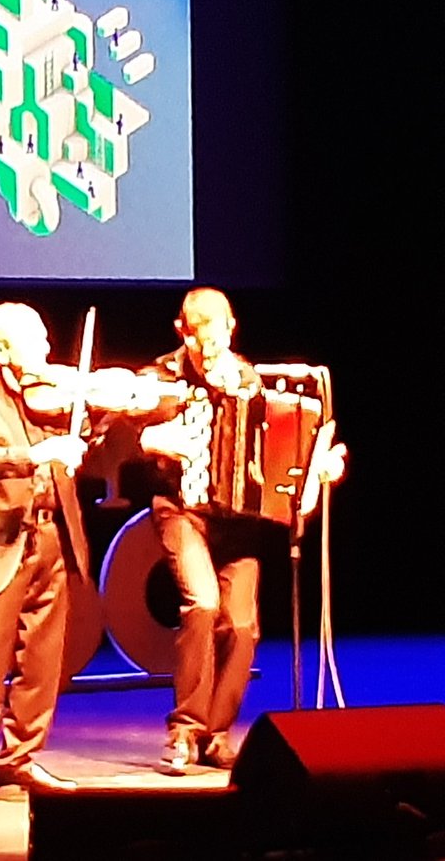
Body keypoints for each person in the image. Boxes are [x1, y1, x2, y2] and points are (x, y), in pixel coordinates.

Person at [136, 287, 346, 775]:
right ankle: (184, 731)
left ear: (232, 328)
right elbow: (125, 433)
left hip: (238, 524)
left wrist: (318, 468)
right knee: (203, 604)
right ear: (181, 330)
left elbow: (285, 451)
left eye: (219, 329)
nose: (209, 342)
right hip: (182, 510)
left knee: (243, 624)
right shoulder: (160, 379)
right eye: (198, 331)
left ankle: (216, 732)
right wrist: (152, 439)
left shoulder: (251, 379)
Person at [0, 302, 91, 803]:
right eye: (37, 340)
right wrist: (35, 455)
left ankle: (20, 757)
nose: (49, 349)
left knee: (44, 657)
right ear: (0, 349)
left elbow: (81, 437)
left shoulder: (48, 396)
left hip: (53, 530)